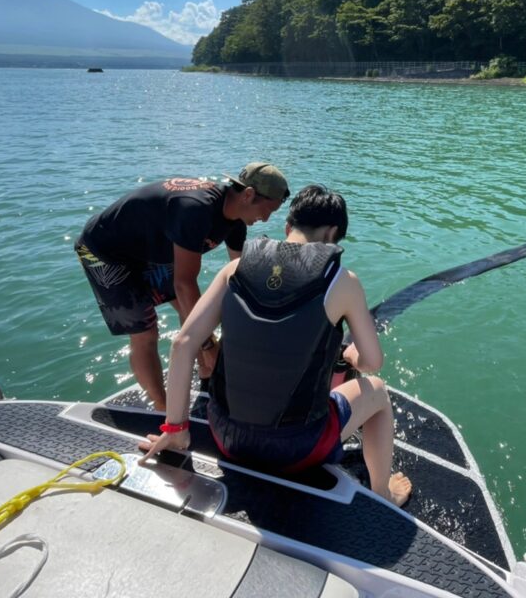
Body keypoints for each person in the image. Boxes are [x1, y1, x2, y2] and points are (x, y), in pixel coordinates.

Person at [139, 185, 412, 507]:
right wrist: (353, 355)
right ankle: (383, 495)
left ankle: (177, 430)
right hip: (297, 449)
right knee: (377, 390)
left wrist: (176, 429)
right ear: (333, 233)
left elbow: (183, 344)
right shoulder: (343, 280)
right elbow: (371, 361)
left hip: (227, 438)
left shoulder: (234, 269)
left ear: (287, 227)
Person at [76, 163, 289, 411]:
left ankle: (206, 371)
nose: (266, 218)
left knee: (187, 306)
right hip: (106, 251)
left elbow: (240, 276)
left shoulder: (236, 219)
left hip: (151, 249)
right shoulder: (195, 209)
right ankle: (162, 408)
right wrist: (209, 343)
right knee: (146, 331)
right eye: (267, 210)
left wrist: (267, 320)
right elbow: (184, 283)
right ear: (248, 194)